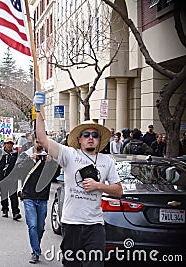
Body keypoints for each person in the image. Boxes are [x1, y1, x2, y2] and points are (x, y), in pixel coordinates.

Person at [34, 91, 123, 266]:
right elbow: (42, 139)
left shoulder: (107, 161)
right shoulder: (69, 154)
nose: (91, 138)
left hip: (95, 226)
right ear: (79, 139)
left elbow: (118, 191)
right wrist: (38, 111)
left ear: (99, 140)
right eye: (86, 135)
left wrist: (99, 185)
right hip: (71, 223)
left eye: (95, 135)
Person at [14, 138, 59, 263]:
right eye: (37, 142)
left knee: (41, 227)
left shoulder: (48, 157)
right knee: (32, 225)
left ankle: (36, 246)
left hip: (43, 197)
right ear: (34, 142)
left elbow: (56, 174)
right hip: (29, 196)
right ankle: (35, 252)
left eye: (42, 142)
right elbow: (17, 170)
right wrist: (30, 160)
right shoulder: (26, 155)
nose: (39, 145)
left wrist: (51, 163)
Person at [0, 137, 21, 219]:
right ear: (5, 144)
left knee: (13, 195)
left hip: (13, 178)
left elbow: (19, 165)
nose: (9, 145)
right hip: (2, 178)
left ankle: (16, 212)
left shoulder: (16, 154)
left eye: (11, 143)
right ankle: (5, 210)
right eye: (8, 143)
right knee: (4, 195)